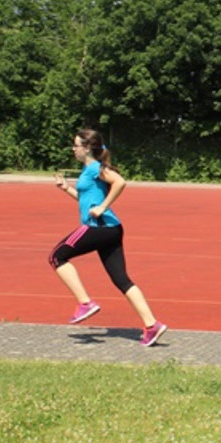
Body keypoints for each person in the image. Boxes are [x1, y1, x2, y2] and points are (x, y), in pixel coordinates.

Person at [49, 129, 167, 347]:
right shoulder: (87, 171)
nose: (73, 149)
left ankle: (85, 302)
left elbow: (120, 182)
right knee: (121, 279)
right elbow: (85, 201)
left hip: (98, 227)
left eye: (76, 145)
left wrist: (103, 206)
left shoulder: (95, 168)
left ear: (86, 148)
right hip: (111, 228)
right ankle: (152, 325)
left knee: (57, 256)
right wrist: (66, 189)